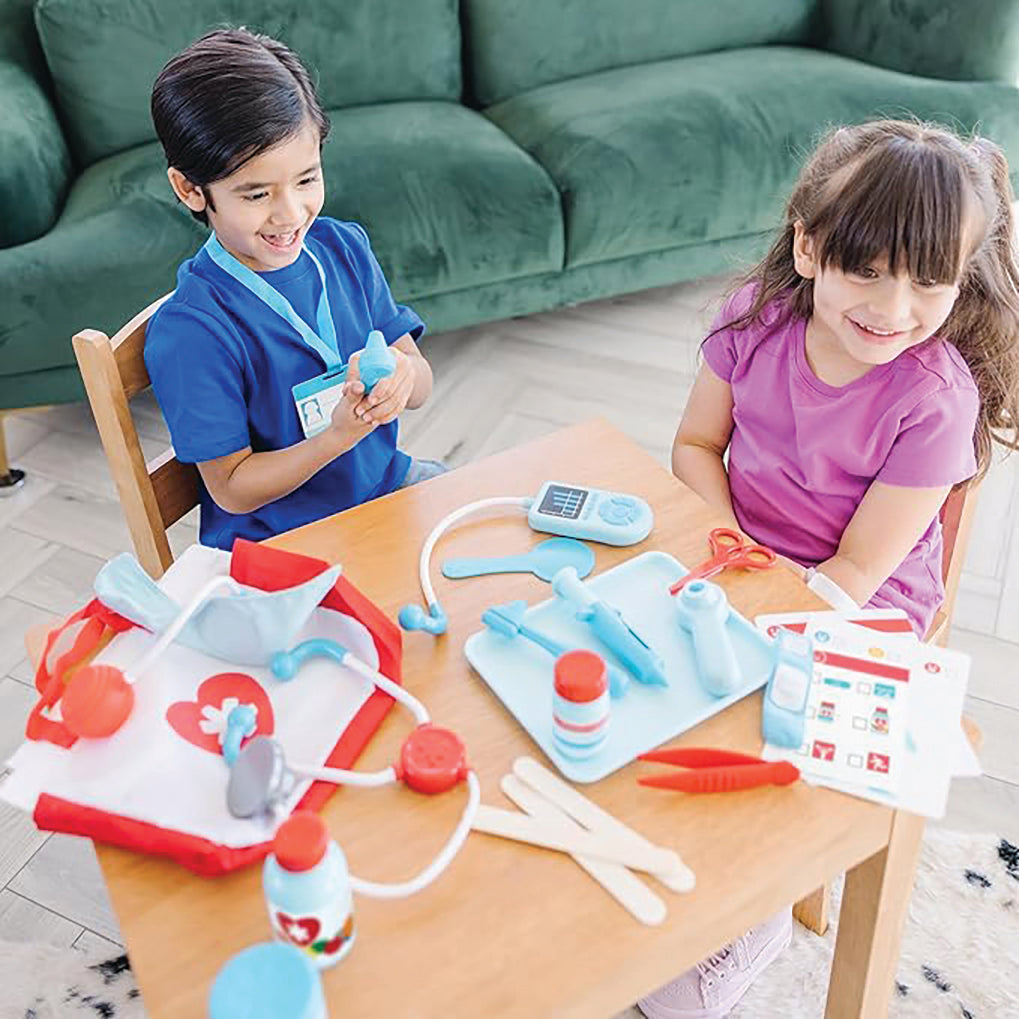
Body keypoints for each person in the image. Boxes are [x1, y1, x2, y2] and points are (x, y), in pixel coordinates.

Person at [640, 119, 1019, 1019]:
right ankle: (680, 861)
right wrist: (730, 549)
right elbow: (695, 446)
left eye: (927, 281)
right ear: (809, 248)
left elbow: (857, 567)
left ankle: (756, 912)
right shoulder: (753, 319)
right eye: (868, 270)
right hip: (737, 554)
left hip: (859, 600)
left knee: (771, 742)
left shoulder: (933, 400)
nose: (893, 308)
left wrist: (764, 607)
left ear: (959, 278)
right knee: (644, 696)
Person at [146, 28, 443, 551]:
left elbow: (421, 385)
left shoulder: (345, 249)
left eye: (306, 180)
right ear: (190, 189)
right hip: (282, 542)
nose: (289, 215)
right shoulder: (193, 330)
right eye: (257, 194)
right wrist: (336, 438)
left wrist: (403, 376)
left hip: (383, 491)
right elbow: (232, 489)